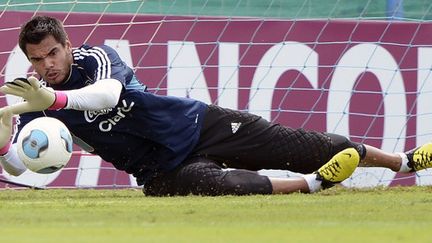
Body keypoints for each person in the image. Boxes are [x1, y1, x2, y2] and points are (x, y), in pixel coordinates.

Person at [0, 15, 431, 196]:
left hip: (194, 125)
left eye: (52, 53)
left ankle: (400, 161)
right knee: (223, 187)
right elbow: (23, 166)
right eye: (37, 59)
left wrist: (53, 99)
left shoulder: (96, 58)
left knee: (298, 144)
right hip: (158, 169)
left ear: (67, 46)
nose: (46, 64)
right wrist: (5, 141)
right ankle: (313, 185)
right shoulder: (34, 99)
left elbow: (109, 95)